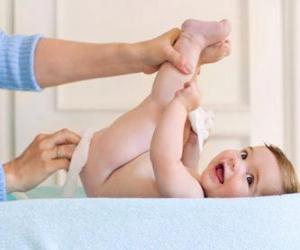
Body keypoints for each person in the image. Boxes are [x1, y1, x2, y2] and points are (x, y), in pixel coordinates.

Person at [79, 19, 299, 198]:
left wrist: (181, 105)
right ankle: (192, 62)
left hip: (102, 175)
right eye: (243, 154)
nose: (236, 162)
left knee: (160, 110)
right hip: (115, 166)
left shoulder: (192, 197)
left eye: (249, 178)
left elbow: (164, 160)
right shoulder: (195, 187)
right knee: (171, 122)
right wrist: (193, 147)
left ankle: (191, 41)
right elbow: (184, 168)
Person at [0, 26, 193, 201]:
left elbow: (7, 56)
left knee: (158, 106)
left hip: (101, 169)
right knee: (159, 107)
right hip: (102, 170)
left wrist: (141, 54)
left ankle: (192, 42)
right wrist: (11, 175)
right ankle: (193, 43)